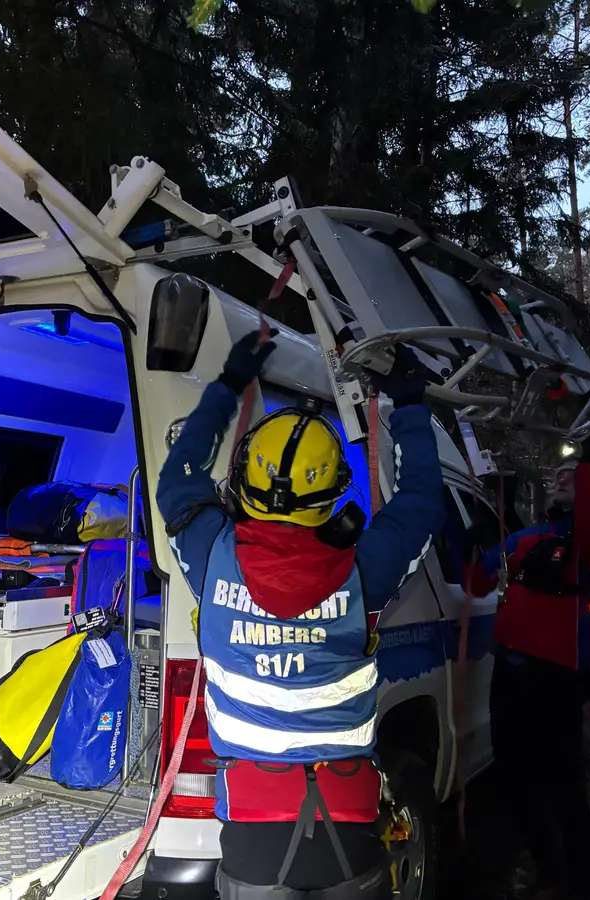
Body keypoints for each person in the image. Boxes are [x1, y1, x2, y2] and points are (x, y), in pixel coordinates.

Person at [156, 332, 445, 900]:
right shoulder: (365, 570)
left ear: (244, 483)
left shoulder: (209, 553)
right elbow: (421, 503)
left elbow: (179, 475)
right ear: (336, 495)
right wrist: (409, 406)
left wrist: (228, 384)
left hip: (252, 832)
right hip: (350, 820)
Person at [476, 427, 590, 900]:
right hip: (510, 674)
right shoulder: (527, 538)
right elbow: (476, 578)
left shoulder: (589, 548)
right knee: (517, 781)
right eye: (559, 475)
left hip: (556, 676)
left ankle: (582, 885)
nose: (562, 479)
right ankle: (549, 870)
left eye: (571, 477)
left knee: (564, 787)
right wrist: (485, 526)